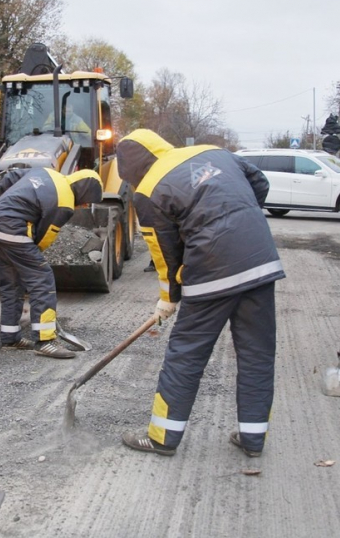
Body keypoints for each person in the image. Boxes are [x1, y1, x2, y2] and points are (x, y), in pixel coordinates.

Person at [116, 129, 285, 458]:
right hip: (260, 262)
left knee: (186, 354)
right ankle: (253, 439)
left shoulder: (148, 190)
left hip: (211, 273)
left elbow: (164, 254)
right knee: (257, 353)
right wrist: (241, 220)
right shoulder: (215, 152)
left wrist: (169, 297)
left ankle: (163, 437)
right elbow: (259, 184)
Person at [0, 167, 103, 359]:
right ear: (84, 191)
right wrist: (32, 261)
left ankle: (10, 338)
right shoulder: (65, 203)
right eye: (87, 200)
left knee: (12, 283)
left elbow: (12, 176)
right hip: (13, 229)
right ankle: (45, 341)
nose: (85, 204)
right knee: (42, 280)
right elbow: (45, 236)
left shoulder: (46, 172)